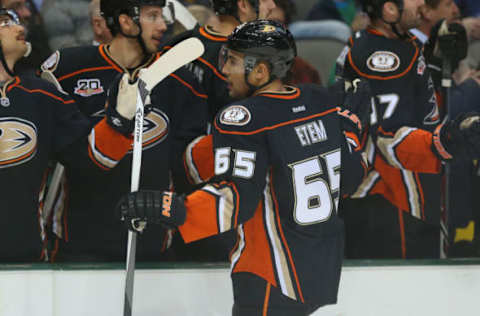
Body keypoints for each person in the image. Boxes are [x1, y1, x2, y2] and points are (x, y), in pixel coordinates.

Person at [117, 20, 371, 315]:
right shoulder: (319, 102)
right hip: (317, 273)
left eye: (233, 61)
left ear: (261, 71)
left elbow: (234, 200)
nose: (224, 69)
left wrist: (166, 207)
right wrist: (351, 129)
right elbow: (350, 176)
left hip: (268, 276)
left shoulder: (242, 117)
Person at [39, 0, 208, 262]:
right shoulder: (68, 69)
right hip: (79, 241)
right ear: (126, 21)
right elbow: (61, 153)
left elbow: (185, 166)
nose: (163, 25)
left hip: (152, 241)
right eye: (153, 16)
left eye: (162, 16)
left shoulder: (181, 80)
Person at [336, 0, 480, 259]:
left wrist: (437, 66)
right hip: (390, 194)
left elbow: (419, 108)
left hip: (409, 188)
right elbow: (387, 136)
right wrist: (447, 140)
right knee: (401, 290)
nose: (422, 2)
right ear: (390, 9)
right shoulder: (379, 56)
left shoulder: (400, 44)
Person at [0, 8, 137, 262]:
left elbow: (94, 160)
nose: (21, 29)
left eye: (18, 22)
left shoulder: (43, 96)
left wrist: (119, 121)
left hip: (26, 255)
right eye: (6, 23)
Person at [162, 0, 277, 261]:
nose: (271, 6)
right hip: (221, 201)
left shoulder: (176, 45)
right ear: (244, 6)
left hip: (173, 196)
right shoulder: (248, 65)